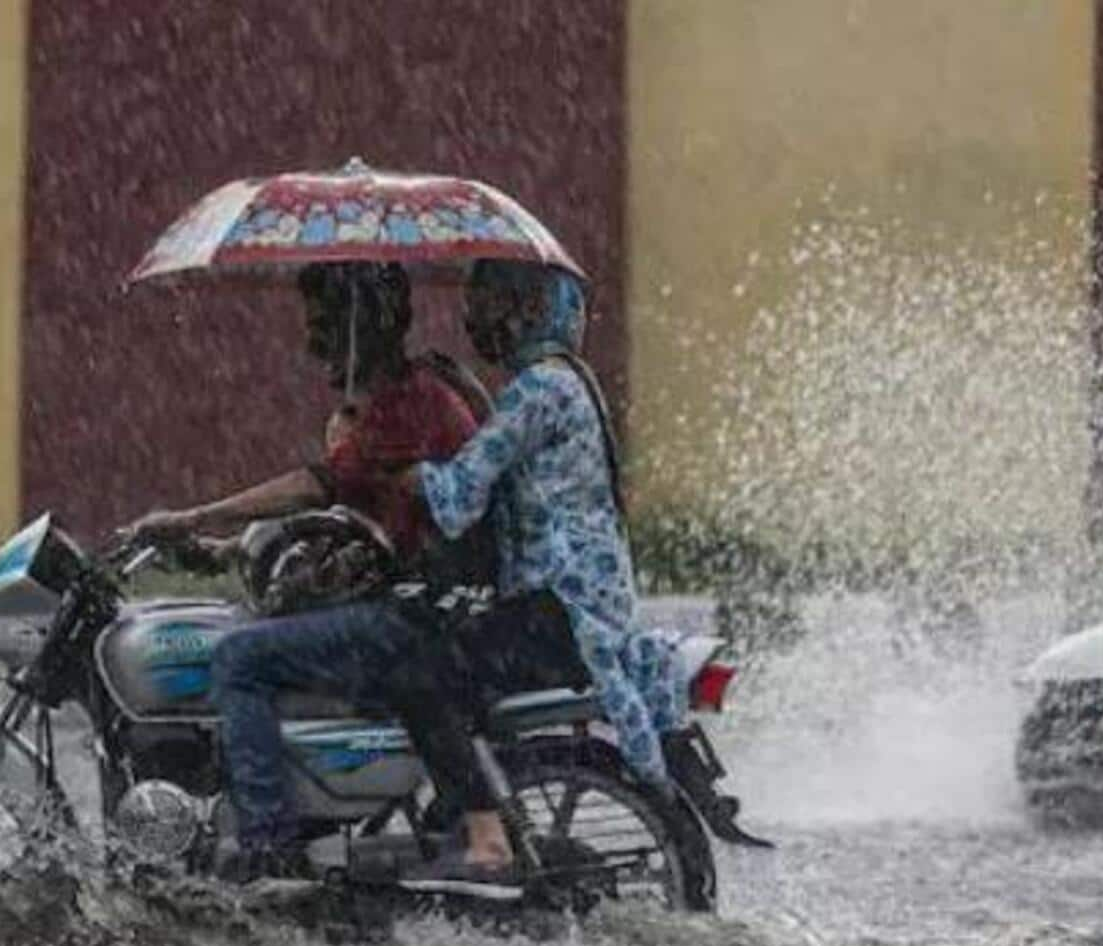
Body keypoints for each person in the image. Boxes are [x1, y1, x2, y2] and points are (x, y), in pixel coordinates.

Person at [129, 261, 518, 894]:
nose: (314, 344)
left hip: (420, 617)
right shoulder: (404, 397)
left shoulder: (408, 403)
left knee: (239, 659)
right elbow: (345, 527)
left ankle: (268, 848)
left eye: (325, 325)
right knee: (258, 632)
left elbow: (316, 487)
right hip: (423, 603)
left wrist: (194, 514)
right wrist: (218, 549)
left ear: (361, 323)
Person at [399, 258, 688, 885]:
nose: (475, 320)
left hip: (560, 612)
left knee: (422, 673)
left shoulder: (540, 390)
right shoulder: (565, 382)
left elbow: (460, 494)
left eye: (488, 306)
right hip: (579, 606)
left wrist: (400, 473)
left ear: (528, 312)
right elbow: (509, 452)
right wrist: (473, 395)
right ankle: (467, 806)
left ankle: (485, 834)